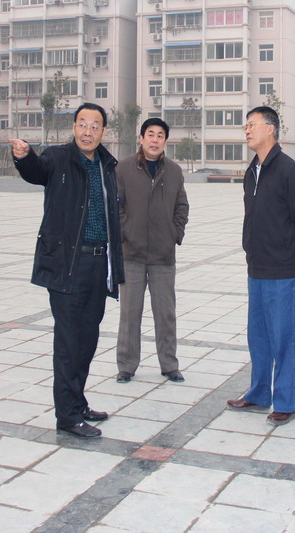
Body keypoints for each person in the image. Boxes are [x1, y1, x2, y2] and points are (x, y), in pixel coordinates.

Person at [9, 102, 124, 439]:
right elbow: (37, 171)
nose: (88, 131)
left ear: (103, 132)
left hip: (98, 264)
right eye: (83, 124)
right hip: (68, 264)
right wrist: (24, 157)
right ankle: (67, 416)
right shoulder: (58, 158)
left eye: (95, 126)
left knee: (87, 339)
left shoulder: (106, 164)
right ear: (74, 127)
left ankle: (78, 402)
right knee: (69, 341)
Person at [226, 106, 295, 426]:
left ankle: (285, 402)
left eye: (253, 125)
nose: (247, 130)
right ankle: (259, 393)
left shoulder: (290, 171)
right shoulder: (252, 171)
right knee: (259, 336)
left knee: (283, 338)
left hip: (283, 269)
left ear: (271, 129)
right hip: (257, 267)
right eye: (246, 126)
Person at [115, 118, 189, 384]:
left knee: (166, 313)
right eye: (150, 134)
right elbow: (116, 206)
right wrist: (126, 232)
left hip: (163, 255)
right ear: (141, 138)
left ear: (165, 141)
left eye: (160, 135)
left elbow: (182, 206)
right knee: (129, 313)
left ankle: (169, 364)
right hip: (131, 253)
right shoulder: (123, 168)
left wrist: (174, 234)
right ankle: (126, 365)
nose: (155, 140)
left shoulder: (174, 171)